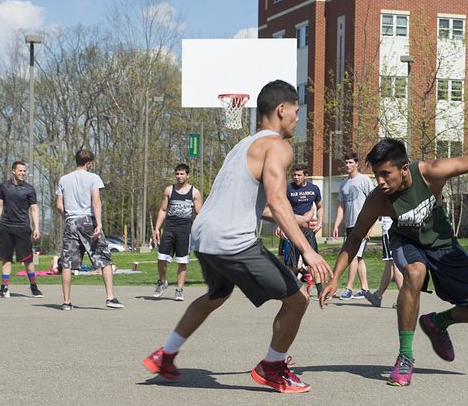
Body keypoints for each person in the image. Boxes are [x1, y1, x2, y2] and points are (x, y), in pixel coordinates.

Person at [142, 80, 332, 393]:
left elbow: (245, 202)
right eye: (297, 112)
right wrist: (307, 250)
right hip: (233, 241)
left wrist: (295, 218)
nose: (299, 119)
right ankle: (273, 366)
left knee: (216, 295)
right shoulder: (277, 146)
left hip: (202, 235)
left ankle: (166, 354)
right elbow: (276, 198)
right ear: (281, 110)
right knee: (298, 299)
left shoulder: (242, 146)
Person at [321, 138, 468, 387]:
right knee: (414, 273)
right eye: (376, 174)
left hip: (443, 244)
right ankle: (405, 355)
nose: (380, 181)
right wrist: (335, 277)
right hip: (406, 241)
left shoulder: (431, 172)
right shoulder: (378, 199)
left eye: (385, 174)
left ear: (404, 169)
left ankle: (437, 322)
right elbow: (355, 237)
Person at [55, 150, 124, 311]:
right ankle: (110, 297)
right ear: (89, 163)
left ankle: (66, 301)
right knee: (104, 258)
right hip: (88, 221)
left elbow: (59, 205)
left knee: (67, 263)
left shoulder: (64, 179)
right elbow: (96, 201)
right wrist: (98, 224)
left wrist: (69, 216)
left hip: (71, 221)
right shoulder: (93, 178)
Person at [0, 161, 43, 299]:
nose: (23, 173)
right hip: (6, 227)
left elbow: (34, 209)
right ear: (13, 171)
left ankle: (34, 287)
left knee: (27, 261)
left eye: (24, 171)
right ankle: (4, 289)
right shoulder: (4, 187)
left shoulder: (29, 189)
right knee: (5, 259)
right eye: (20, 171)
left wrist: (36, 227)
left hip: (23, 228)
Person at [152, 163, 203, 301]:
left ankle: (179, 289)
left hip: (185, 230)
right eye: (177, 174)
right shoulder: (169, 190)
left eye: (182, 174)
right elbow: (163, 210)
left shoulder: (194, 192)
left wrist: (202, 230)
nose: (179, 176)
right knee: (161, 258)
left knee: (182, 261)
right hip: (170, 228)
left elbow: (199, 213)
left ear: (188, 175)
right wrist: (157, 228)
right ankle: (162, 282)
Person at [276, 164, 324, 296]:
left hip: (308, 231)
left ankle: (321, 292)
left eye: (299, 175)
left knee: (313, 262)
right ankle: (291, 291)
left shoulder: (314, 189)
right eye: (294, 175)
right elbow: (281, 208)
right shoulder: (288, 189)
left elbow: (320, 207)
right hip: (292, 230)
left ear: (306, 176)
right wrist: (281, 225)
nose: (296, 177)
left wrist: (319, 224)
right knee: (291, 264)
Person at [332, 152, 373, 300]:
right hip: (349, 226)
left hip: (362, 224)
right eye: (346, 163)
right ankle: (364, 289)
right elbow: (341, 207)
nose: (348, 165)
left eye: (350, 162)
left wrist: (369, 226)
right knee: (359, 257)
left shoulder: (365, 180)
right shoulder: (344, 184)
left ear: (356, 163)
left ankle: (348, 289)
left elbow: (374, 204)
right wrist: (336, 225)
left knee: (352, 255)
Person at [365, 216, 403, 308]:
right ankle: (378, 295)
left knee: (394, 264)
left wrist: (368, 229)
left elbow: (376, 210)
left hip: (389, 229)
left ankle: (404, 298)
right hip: (400, 229)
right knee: (389, 264)